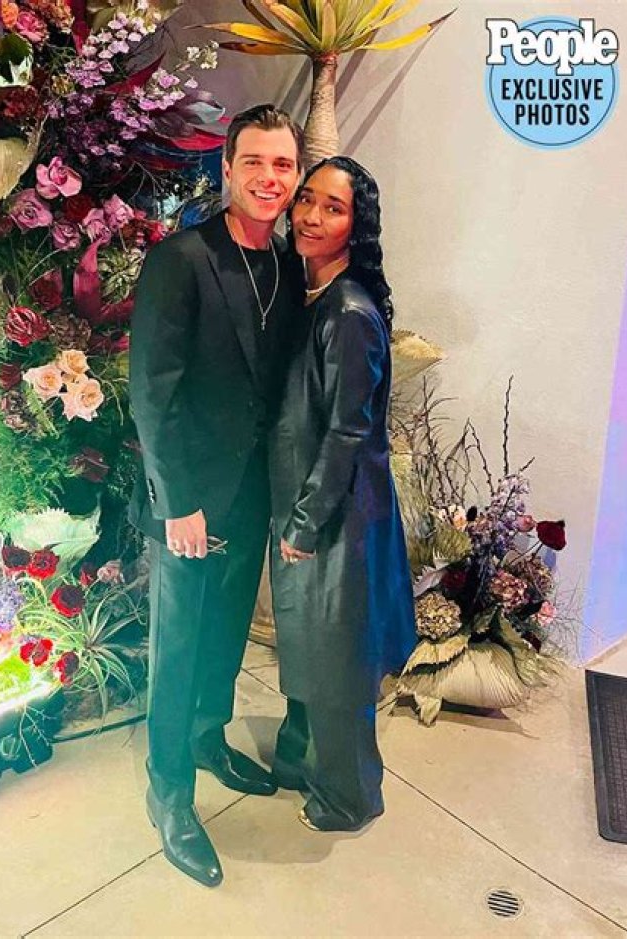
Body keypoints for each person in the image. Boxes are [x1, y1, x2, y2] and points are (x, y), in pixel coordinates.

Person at [129, 104, 303, 886]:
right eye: (254, 162)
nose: (269, 177)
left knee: (228, 632)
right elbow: (152, 391)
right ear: (227, 169)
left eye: (283, 165)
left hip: (253, 491)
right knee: (178, 647)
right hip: (190, 500)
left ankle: (208, 736)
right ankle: (169, 789)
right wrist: (177, 502)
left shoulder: (288, 264)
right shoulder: (182, 259)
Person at [269, 156, 417, 833]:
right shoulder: (312, 294)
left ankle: (350, 796)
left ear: (357, 227)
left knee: (338, 661)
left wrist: (305, 521)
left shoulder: (349, 312)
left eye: (332, 207)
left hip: (339, 515)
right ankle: (302, 760)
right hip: (314, 501)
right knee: (312, 645)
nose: (310, 216)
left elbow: (348, 430)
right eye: (306, 200)